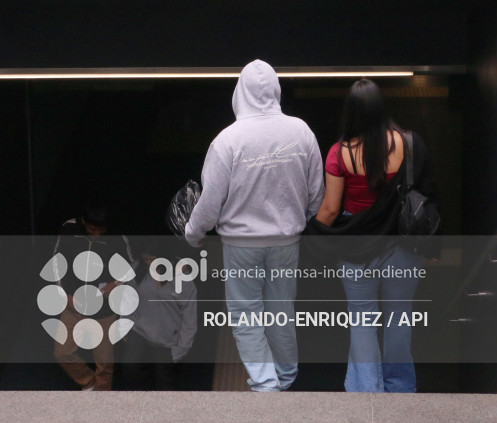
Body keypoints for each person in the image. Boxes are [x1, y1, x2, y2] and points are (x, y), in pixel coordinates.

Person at [184, 59, 325, 392]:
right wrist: (297, 221)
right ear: (276, 89)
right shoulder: (301, 131)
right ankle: (286, 377)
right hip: (287, 243)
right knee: (281, 314)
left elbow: (210, 201)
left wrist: (194, 233)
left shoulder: (227, 140)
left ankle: (265, 385)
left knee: (246, 318)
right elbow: (316, 194)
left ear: (240, 93)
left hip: (241, 247)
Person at [312, 78, 438, 393]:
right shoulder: (410, 144)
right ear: (382, 108)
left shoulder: (339, 153)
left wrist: (306, 236)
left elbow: (329, 209)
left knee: (362, 320)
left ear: (350, 113)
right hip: (402, 243)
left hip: (355, 246)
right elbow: (428, 195)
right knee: (399, 317)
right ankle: (400, 387)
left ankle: (367, 390)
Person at [52, 203, 133, 391]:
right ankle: (88, 382)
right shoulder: (69, 228)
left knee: (104, 363)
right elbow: (56, 262)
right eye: (92, 229)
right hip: (73, 304)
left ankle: (102, 400)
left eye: (101, 230)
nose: (96, 233)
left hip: (103, 311)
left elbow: (130, 265)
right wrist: (65, 297)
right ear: (83, 222)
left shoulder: (118, 236)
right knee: (62, 353)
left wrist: (116, 283)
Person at [121, 240, 197, 390]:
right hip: (140, 329)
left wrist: (181, 348)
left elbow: (190, 317)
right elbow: (128, 297)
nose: (149, 263)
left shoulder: (182, 277)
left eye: (152, 259)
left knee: (164, 382)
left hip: (168, 338)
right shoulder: (138, 268)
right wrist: (124, 322)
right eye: (146, 259)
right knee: (129, 370)